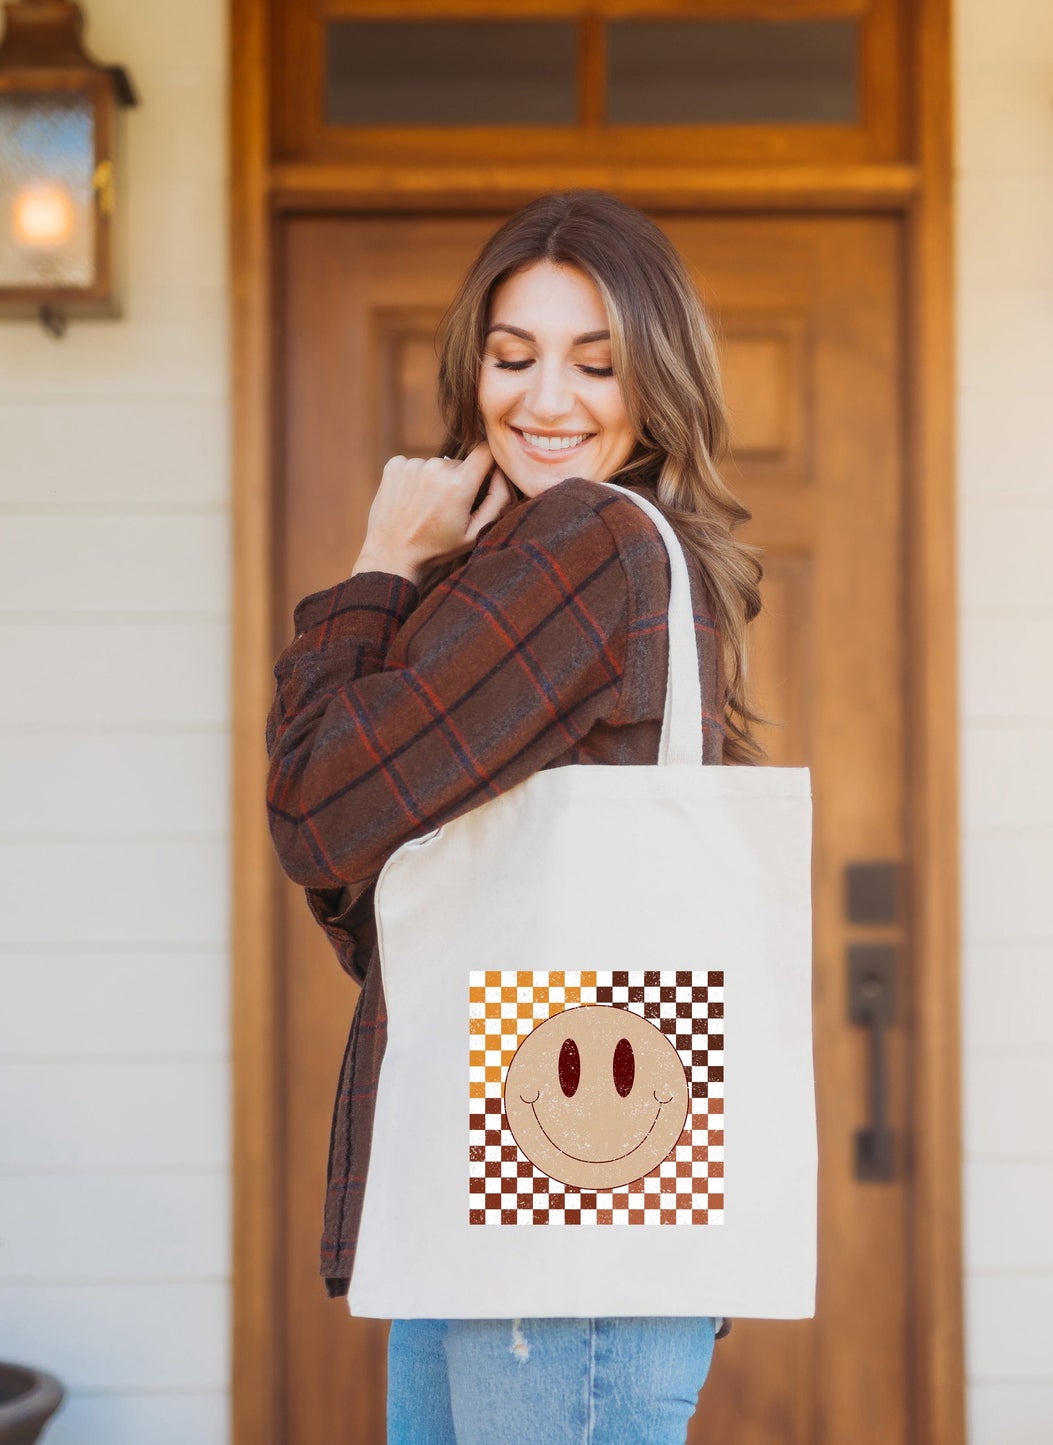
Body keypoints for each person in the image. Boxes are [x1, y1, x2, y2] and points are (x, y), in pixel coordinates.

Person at [266, 189, 770, 1444]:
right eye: (512, 356)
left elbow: (318, 812)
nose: (546, 399)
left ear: (655, 385)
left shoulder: (590, 543)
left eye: (595, 363)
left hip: (555, 1189)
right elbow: (382, 879)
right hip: (504, 1166)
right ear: (471, 369)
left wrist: (381, 558)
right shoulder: (536, 565)